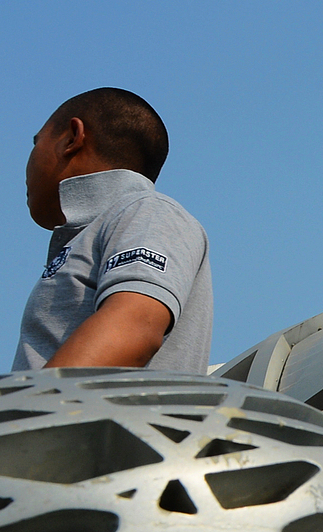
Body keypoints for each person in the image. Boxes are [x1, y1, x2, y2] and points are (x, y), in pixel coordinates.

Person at [14, 88, 213, 373]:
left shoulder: (147, 212)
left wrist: (34, 401)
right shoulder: (106, 226)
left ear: (72, 137)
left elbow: (135, 327)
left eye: (36, 143)